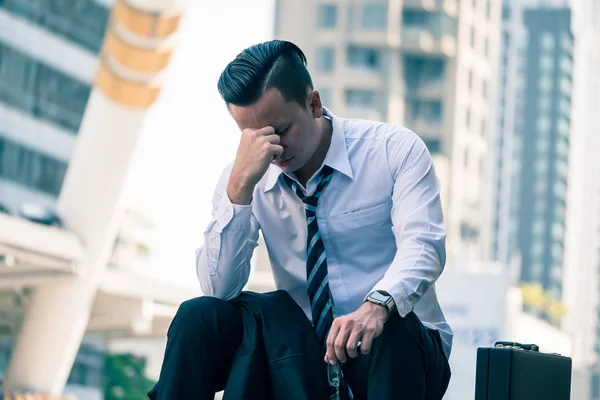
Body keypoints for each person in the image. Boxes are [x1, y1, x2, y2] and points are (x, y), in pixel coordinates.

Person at [149, 40, 452, 399]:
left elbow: (424, 246)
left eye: (279, 130)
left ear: (314, 103)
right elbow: (219, 291)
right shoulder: (245, 177)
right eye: (255, 136)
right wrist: (239, 191)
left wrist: (377, 306)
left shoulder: (392, 150)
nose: (272, 149)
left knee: (394, 324)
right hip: (303, 350)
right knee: (199, 316)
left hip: (397, 348)